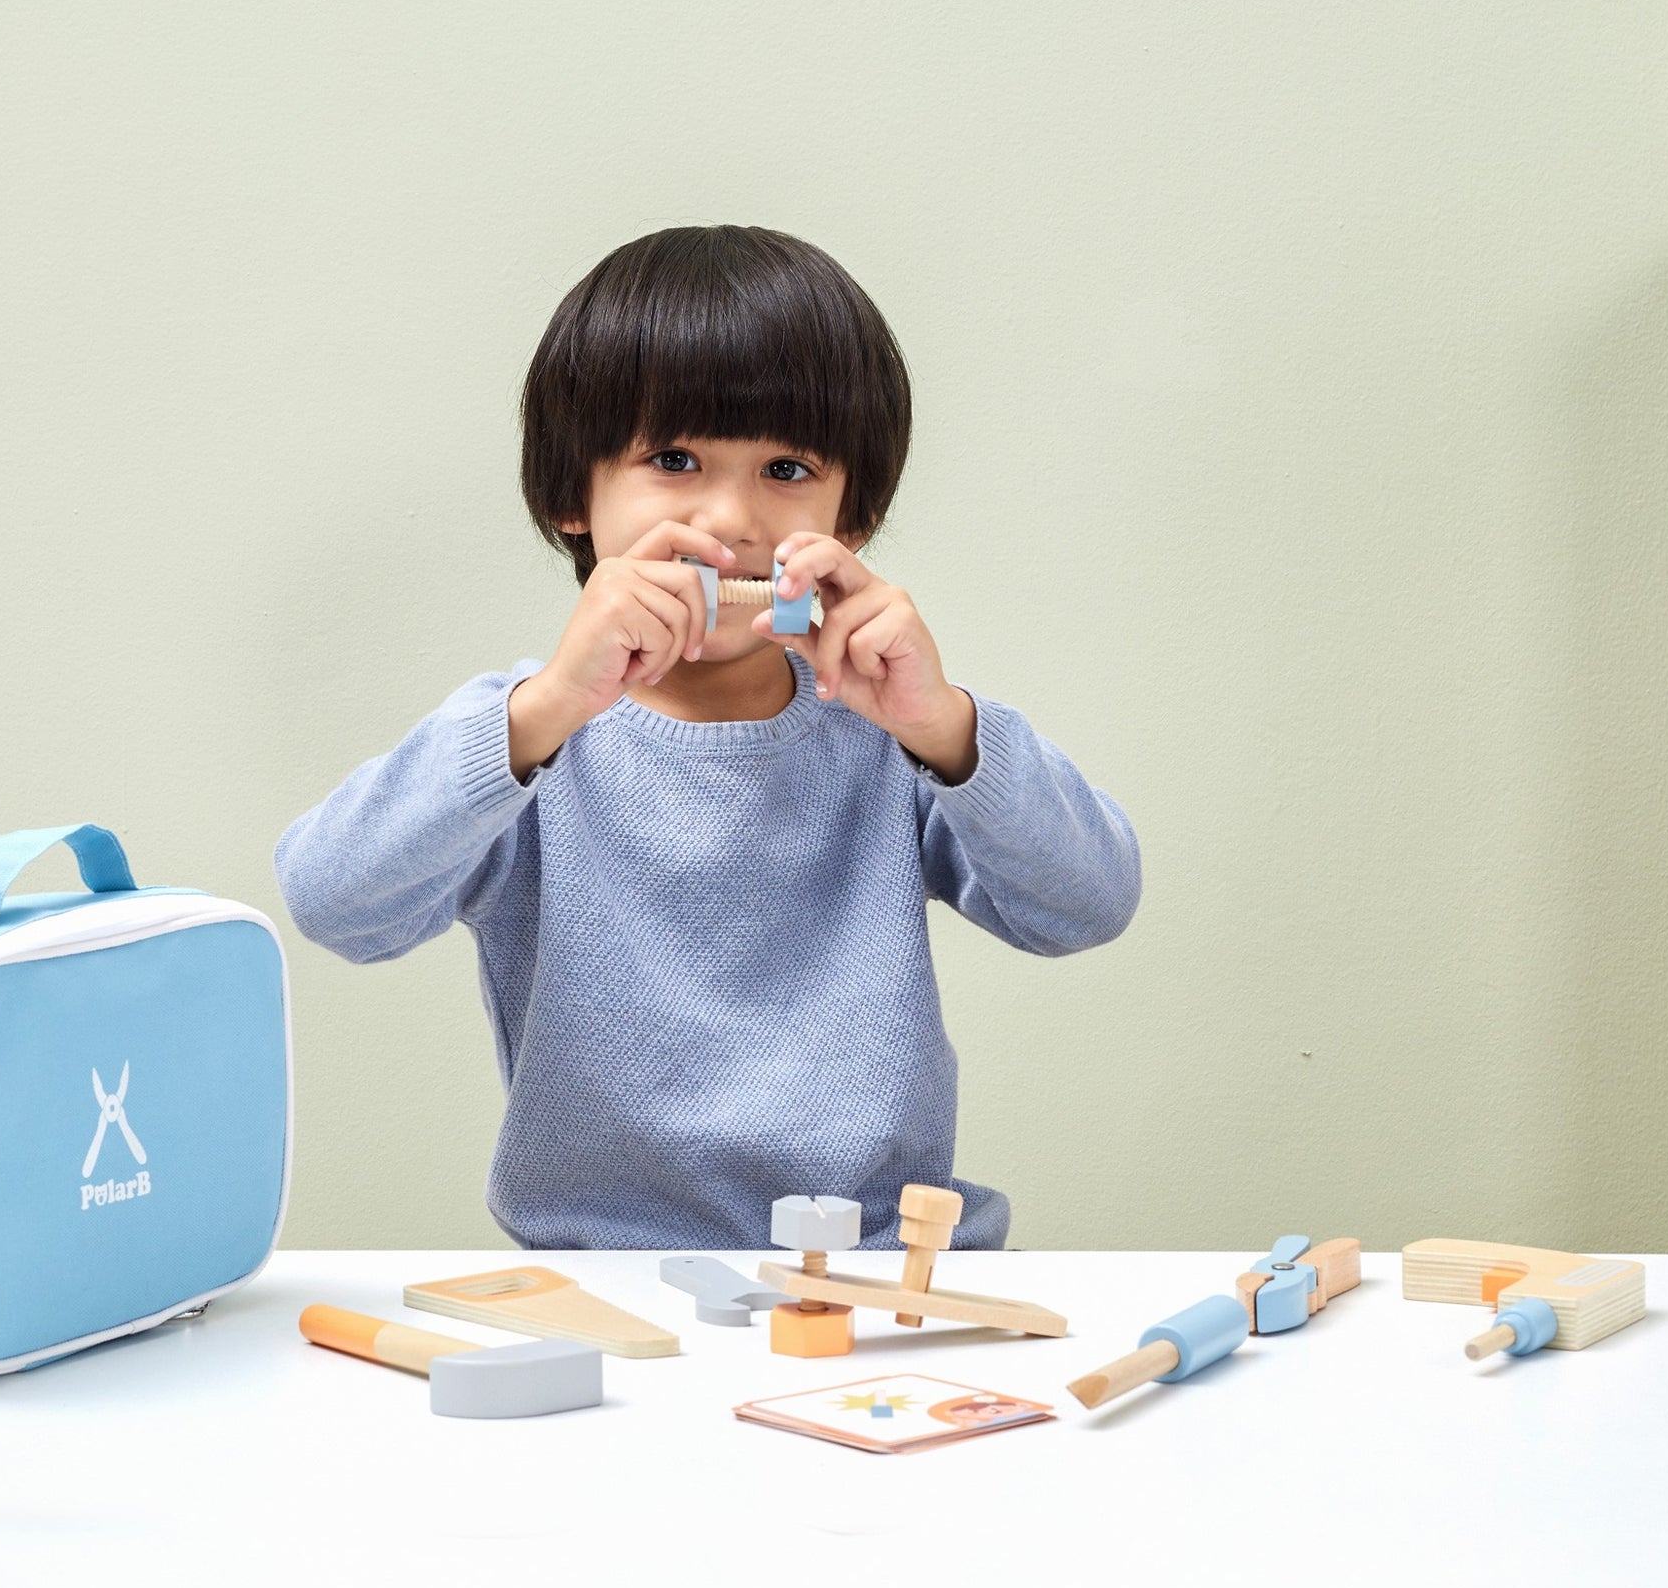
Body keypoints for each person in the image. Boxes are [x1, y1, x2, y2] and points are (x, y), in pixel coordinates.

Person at [274, 224, 1140, 1249]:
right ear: (571, 499)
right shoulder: (528, 737)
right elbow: (331, 899)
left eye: (785, 467)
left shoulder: (886, 727)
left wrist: (943, 727)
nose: (731, 518)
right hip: (609, 1279)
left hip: (878, 1271)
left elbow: (1086, 904)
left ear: (850, 515)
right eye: (673, 458)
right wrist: (545, 708)